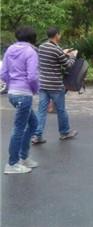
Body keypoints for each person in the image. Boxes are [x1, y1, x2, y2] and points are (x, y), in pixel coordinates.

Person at [2, 26, 40, 174]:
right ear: (33, 39)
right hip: (24, 94)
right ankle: (12, 163)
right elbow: (32, 76)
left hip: (12, 93)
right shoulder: (31, 52)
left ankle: (24, 157)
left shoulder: (10, 50)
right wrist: (34, 89)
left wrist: (12, 85)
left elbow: (3, 73)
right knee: (19, 128)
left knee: (33, 123)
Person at [32, 27, 78, 144]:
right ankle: (65, 132)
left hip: (43, 84)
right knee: (61, 110)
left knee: (41, 111)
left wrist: (63, 52)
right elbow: (68, 65)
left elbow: (51, 58)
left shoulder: (42, 47)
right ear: (57, 35)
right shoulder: (56, 50)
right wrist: (73, 55)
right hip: (55, 85)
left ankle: (37, 135)